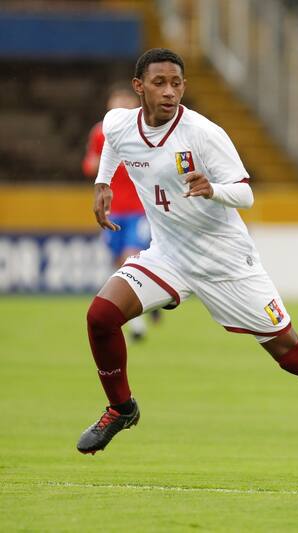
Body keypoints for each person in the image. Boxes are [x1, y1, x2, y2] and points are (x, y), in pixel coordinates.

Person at [77, 48, 298, 480]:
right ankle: (121, 407)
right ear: (139, 87)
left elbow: (245, 193)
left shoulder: (203, 134)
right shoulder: (118, 123)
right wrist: (102, 184)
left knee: (291, 353)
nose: (169, 92)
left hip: (225, 261)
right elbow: (115, 145)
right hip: (168, 255)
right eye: (159, 83)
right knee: (101, 315)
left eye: (176, 83)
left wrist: (213, 189)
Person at [82, 83, 160, 341]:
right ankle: (152, 301)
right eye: (118, 99)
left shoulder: (145, 131)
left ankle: (137, 328)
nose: (122, 104)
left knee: (130, 259)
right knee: (119, 263)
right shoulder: (100, 133)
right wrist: (97, 165)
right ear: (109, 104)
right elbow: (89, 165)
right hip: (113, 210)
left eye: (127, 99)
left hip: (140, 208)